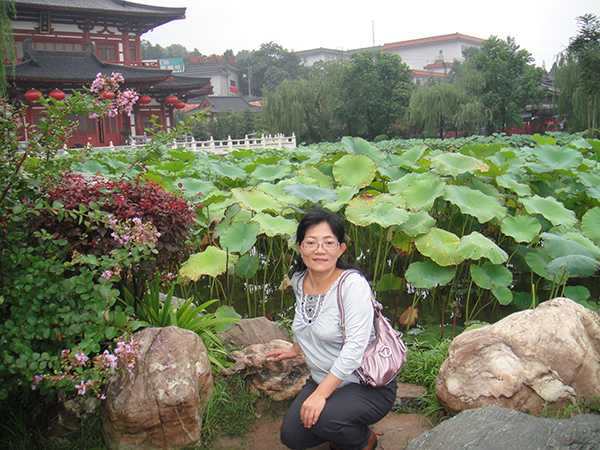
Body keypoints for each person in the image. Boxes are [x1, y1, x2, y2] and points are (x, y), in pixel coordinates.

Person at [267, 209, 397, 450]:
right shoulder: (299, 279)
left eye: (328, 243)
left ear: (340, 249)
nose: (320, 250)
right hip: (322, 377)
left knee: (324, 420)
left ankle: (364, 440)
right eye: (311, 243)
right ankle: (338, 425)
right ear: (299, 248)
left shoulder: (352, 286)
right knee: (292, 437)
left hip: (365, 383)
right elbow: (304, 317)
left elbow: (354, 349)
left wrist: (320, 395)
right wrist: (295, 348)